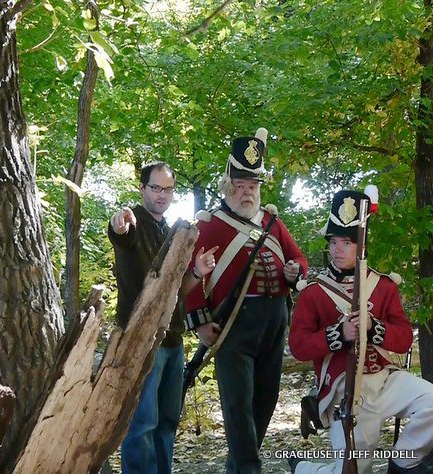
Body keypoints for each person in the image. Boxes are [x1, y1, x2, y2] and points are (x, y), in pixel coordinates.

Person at [184, 128, 308, 474]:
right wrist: (199, 322)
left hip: (274, 320)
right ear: (228, 187)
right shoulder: (210, 224)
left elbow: (299, 259)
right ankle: (250, 469)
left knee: (264, 403)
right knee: (238, 406)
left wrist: (295, 269)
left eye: (252, 186)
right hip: (233, 325)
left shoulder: (272, 222)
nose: (246, 193)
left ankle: (235, 468)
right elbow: (192, 277)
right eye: (239, 186)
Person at [288, 189, 433, 473]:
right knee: (355, 470)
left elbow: (403, 339)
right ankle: (305, 469)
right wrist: (338, 334)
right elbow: (299, 346)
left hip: (384, 380)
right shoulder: (314, 293)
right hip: (345, 391)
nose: (337, 249)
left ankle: (403, 462)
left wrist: (373, 328)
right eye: (333, 242)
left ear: (361, 246)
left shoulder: (383, 286)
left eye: (346, 242)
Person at [109, 161, 216, 473]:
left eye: (168, 189)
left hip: (172, 339)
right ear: (142, 189)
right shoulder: (135, 222)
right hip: (142, 340)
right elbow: (121, 231)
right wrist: (119, 223)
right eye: (155, 188)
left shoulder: (170, 231)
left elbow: (176, 290)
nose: (162, 195)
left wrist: (197, 271)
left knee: (167, 422)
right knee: (142, 424)